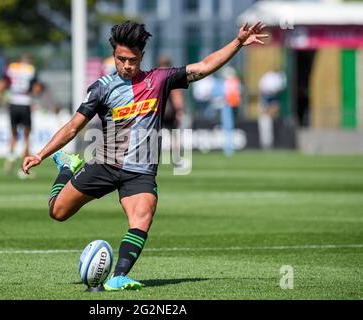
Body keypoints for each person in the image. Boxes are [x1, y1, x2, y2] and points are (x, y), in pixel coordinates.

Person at [22, 20, 267, 291]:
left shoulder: (159, 80)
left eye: (133, 60)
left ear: (142, 56)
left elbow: (203, 67)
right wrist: (41, 154)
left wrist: (238, 42)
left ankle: (118, 276)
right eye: (121, 59)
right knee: (57, 212)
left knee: (142, 216)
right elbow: (72, 127)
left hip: (140, 171)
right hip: (105, 164)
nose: (127, 65)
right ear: (114, 55)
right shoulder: (101, 88)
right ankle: (68, 167)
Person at [0, 54, 42, 178]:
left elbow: (3, 84)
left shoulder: (11, 68)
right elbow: (37, 89)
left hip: (13, 102)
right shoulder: (30, 69)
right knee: (26, 137)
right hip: (25, 102)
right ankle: (23, 169)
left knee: (13, 135)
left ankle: (11, 157)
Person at [157, 55, 185, 167]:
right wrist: (179, 111)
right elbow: (176, 95)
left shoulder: (155, 75)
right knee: (174, 135)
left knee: (154, 135)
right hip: (170, 111)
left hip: (158, 110)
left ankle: (151, 159)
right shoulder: (172, 75)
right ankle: (176, 159)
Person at [258, 69, 286, 149]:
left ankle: (271, 143)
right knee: (265, 121)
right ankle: (266, 143)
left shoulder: (279, 79)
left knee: (269, 119)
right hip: (267, 98)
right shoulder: (268, 77)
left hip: (272, 98)